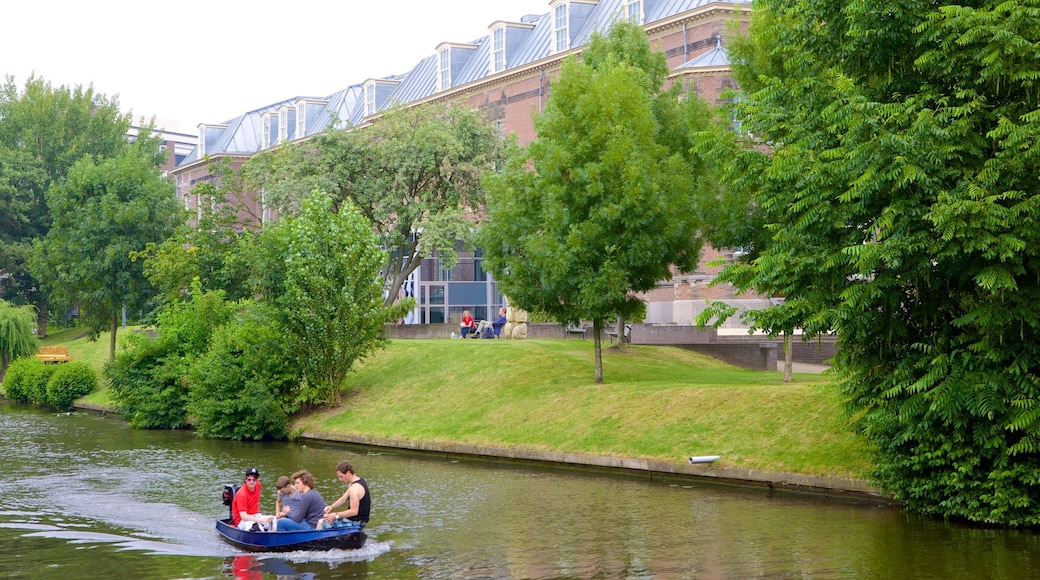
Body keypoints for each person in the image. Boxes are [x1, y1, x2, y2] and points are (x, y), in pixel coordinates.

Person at [321, 460, 370, 529]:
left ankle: (319, 539)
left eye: (341, 476)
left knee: (322, 522)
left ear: (348, 473)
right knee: (328, 519)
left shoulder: (354, 489)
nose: (339, 479)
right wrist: (332, 507)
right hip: (357, 520)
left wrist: (335, 515)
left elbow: (354, 511)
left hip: (357, 522)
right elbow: (343, 499)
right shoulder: (356, 482)